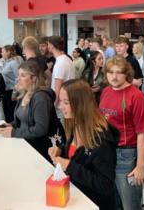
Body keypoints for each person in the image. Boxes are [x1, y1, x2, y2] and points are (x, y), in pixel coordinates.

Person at [49, 79, 119, 210]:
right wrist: (60, 150)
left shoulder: (101, 140)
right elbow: (76, 154)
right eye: (61, 101)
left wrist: (69, 166)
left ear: (80, 104)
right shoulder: (74, 125)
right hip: (76, 199)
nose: (60, 106)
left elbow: (105, 184)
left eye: (66, 102)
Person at [99, 56, 144, 210]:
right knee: (114, 202)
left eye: (119, 72)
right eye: (110, 72)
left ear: (126, 73)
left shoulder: (136, 96)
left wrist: (140, 166)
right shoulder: (106, 91)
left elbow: (142, 134)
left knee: (130, 205)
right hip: (107, 152)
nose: (114, 77)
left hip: (127, 156)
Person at [0, 61, 64, 161]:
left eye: (23, 75)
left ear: (33, 78)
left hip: (40, 149)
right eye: (18, 75)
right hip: (26, 144)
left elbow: (40, 129)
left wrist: (14, 133)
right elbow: (21, 121)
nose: (18, 79)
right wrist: (12, 125)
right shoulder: (24, 94)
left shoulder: (41, 98)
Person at [0, 45, 22, 123]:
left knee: (11, 113)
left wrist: (14, 92)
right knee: (7, 113)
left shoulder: (13, 63)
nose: (1, 53)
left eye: (3, 52)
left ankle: (12, 130)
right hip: (6, 91)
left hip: (12, 91)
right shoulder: (6, 62)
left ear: (8, 52)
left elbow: (18, 78)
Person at [48, 36, 76, 108]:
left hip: (60, 105)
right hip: (69, 100)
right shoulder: (68, 59)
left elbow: (57, 88)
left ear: (51, 46)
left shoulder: (60, 63)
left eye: (48, 44)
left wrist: (53, 105)